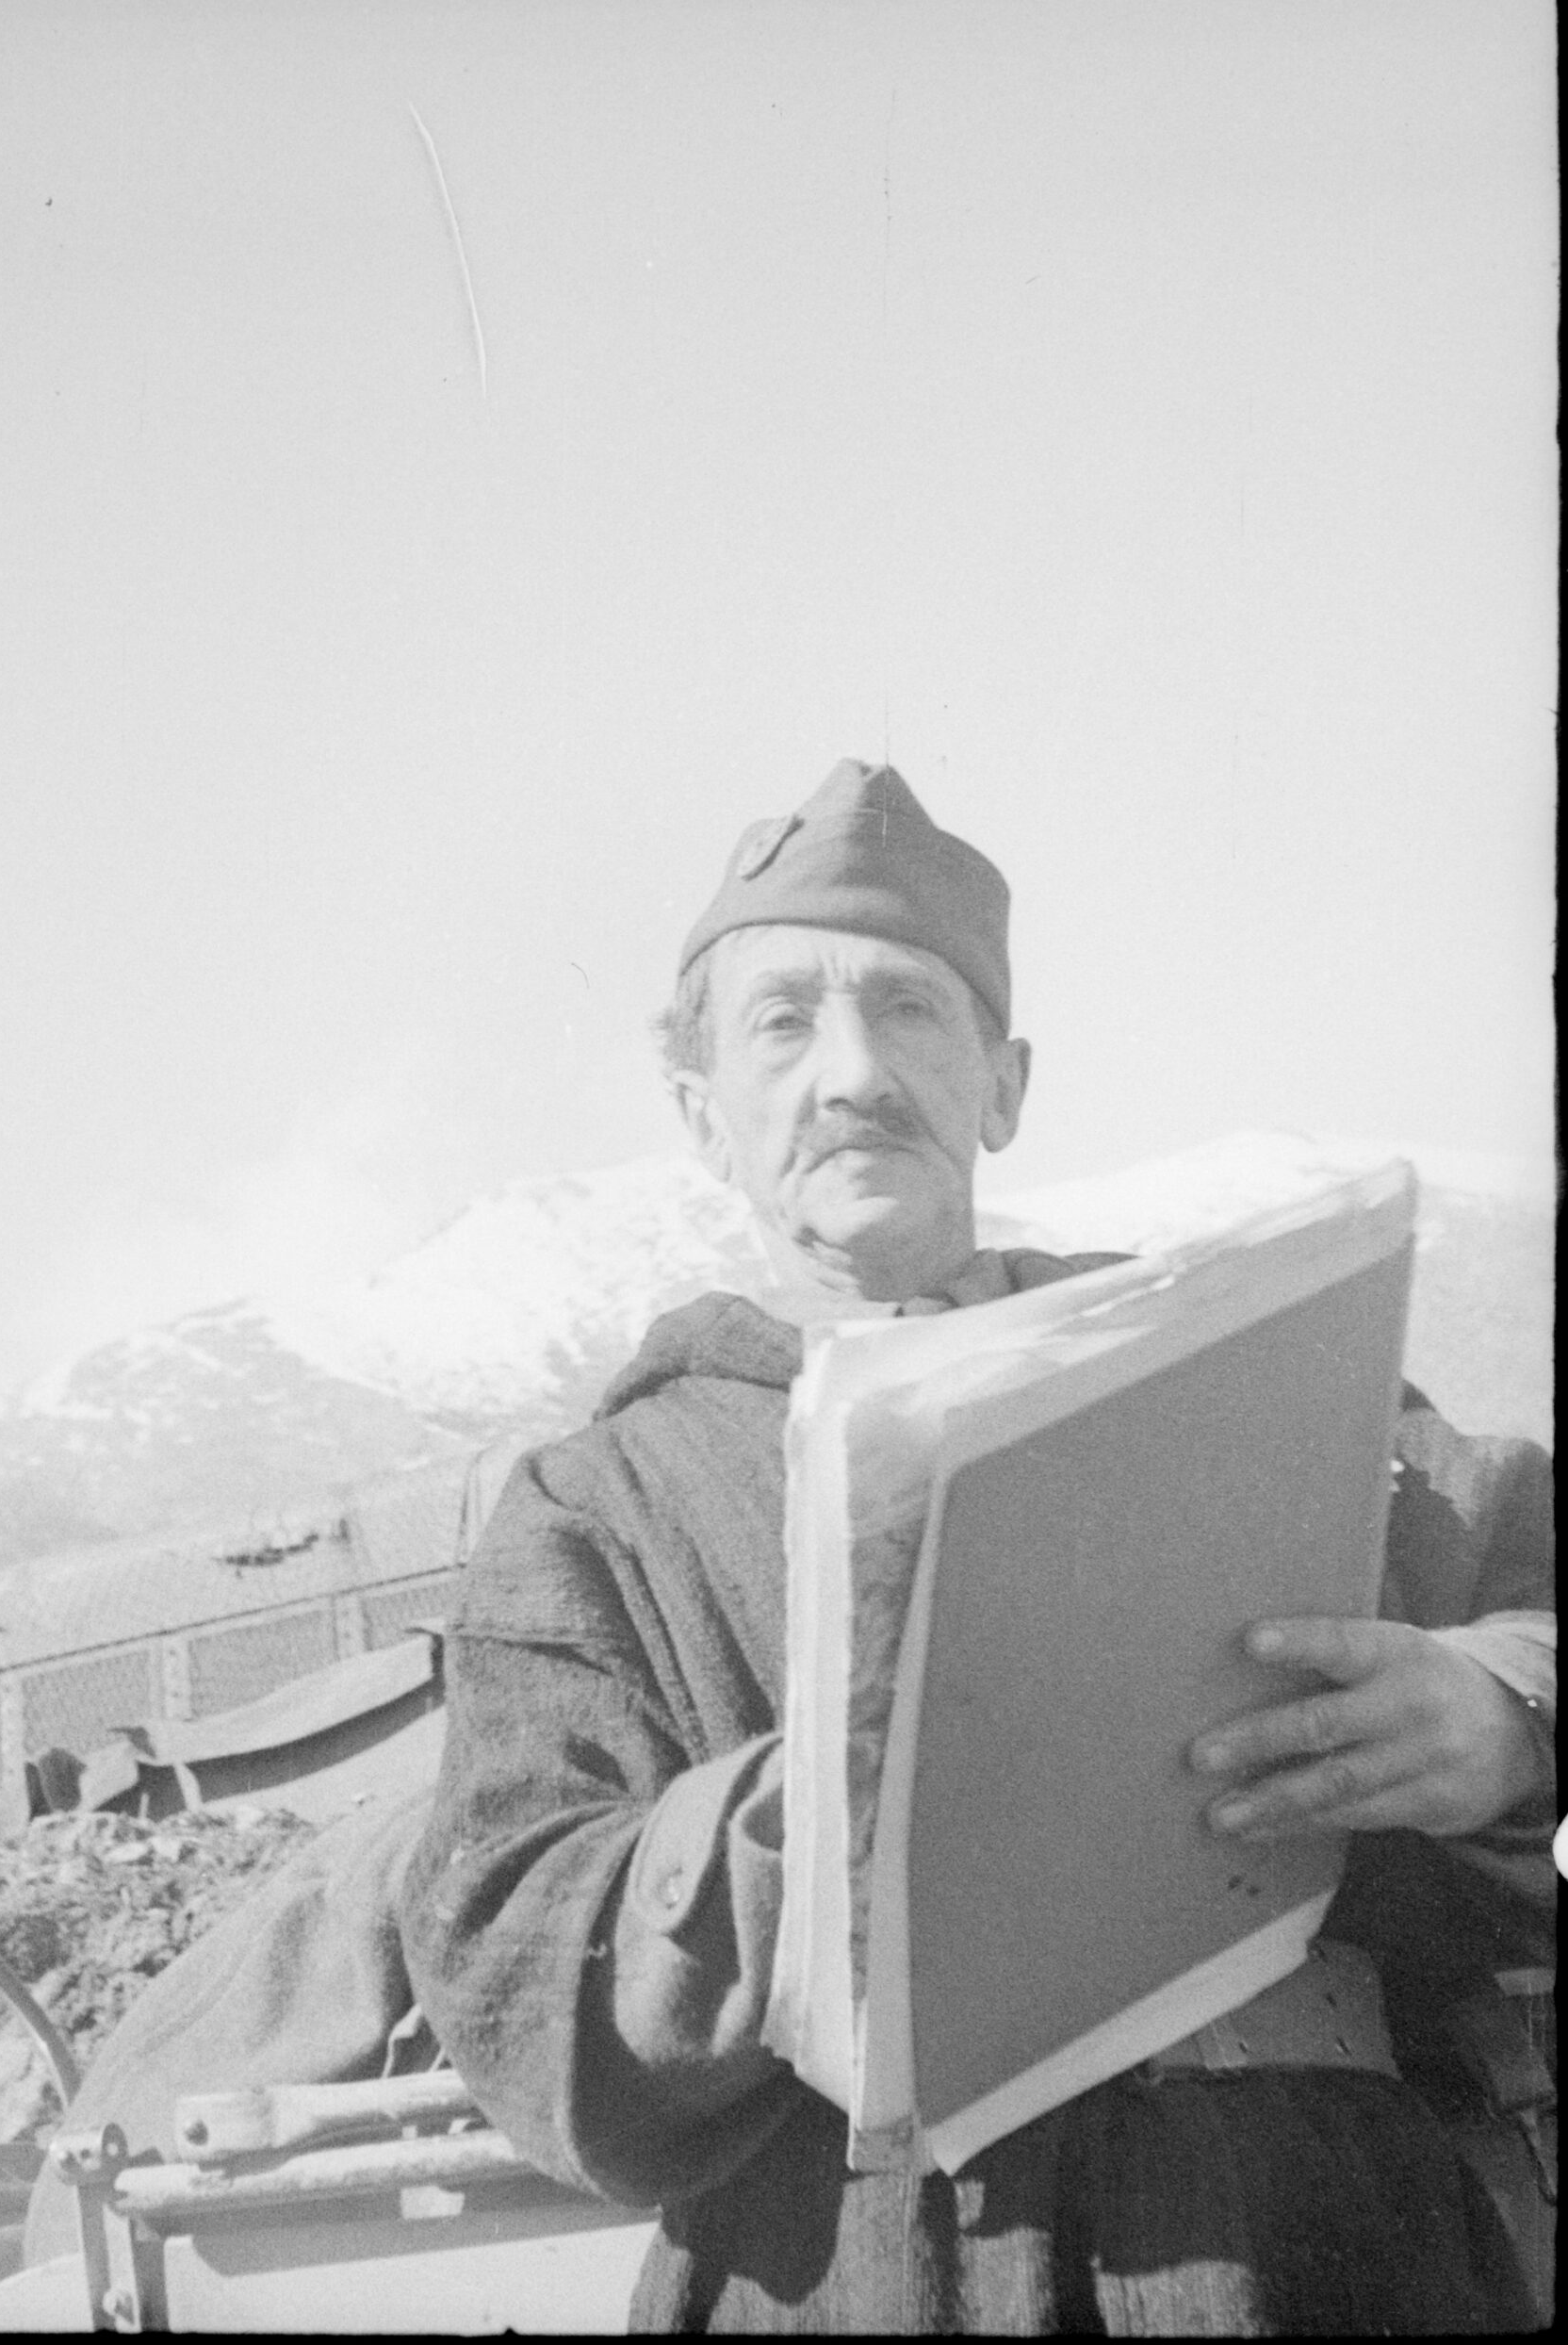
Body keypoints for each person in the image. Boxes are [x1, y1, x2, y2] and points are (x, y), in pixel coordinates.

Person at [396, 759, 1556, 2335]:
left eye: (910, 1010)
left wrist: (1504, 1712)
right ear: (701, 1112)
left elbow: (1527, 1594)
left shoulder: (1248, 1374)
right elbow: (508, 1965)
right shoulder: (597, 1510)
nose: (852, 1073)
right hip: (866, 2267)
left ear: (1002, 1086)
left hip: (1321, 2244)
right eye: (783, 1021)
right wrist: (802, 1820)